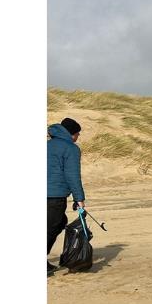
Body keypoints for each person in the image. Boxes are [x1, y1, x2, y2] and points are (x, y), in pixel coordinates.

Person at [47, 117, 87, 275]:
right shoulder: (70, 148)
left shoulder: (47, 145)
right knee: (52, 227)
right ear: (71, 134)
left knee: (58, 222)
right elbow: (72, 175)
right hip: (54, 195)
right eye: (77, 134)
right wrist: (79, 199)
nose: (78, 137)